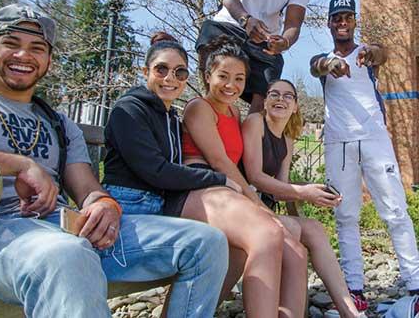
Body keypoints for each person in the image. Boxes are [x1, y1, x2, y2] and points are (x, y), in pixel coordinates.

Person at [0, 4, 230, 318]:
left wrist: (103, 204)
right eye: (12, 43)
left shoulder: (58, 124)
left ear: (49, 60)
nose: (24, 55)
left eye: (37, 48)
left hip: (64, 232)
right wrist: (18, 164)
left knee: (207, 242)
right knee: (66, 255)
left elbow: (87, 188)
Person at [103, 31, 292, 318]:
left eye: (179, 72)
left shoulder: (167, 115)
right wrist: (220, 181)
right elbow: (157, 171)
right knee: (240, 238)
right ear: (145, 72)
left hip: (157, 211)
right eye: (161, 69)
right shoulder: (129, 110)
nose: (171, 78)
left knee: (233, 248)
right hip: (128, 215)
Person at [180, 36, 308, 318]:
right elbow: (219, 161)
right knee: (270, 230)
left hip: (228, 193)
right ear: (207, 75)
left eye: (239, 79)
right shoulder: (199, 107)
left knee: (296, 250)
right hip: (199, 190)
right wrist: (259, 207)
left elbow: (239, 162)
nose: (231, 85)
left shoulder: (235, 111)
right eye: (223, 76)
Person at [309, 0, 419, 312]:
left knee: (396, 212)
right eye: (336, 18)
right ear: (329, 23)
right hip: (338, 145)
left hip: (374, 140)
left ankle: (415, 284)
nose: (342, 22)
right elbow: (316, 66)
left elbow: (381, 54)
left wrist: (371, 53)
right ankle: (355, 289)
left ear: (355, 21)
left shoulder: (366, 54)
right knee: (345, 217)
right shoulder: (322, 58)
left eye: (347, 17)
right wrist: (331, 65)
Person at [242, 79, 363, 317]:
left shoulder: (287, 137)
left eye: (288, 96)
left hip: (265, 205)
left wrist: (312, 191)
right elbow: (255, 176)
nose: (280, 99)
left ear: (296, 106)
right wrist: (303, 193)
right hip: (245, 203)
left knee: (315, 228)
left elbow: (280, 188)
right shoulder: (254, 123)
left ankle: (349, 310)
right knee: (293, 234)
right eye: (274, 94)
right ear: (265, 101)